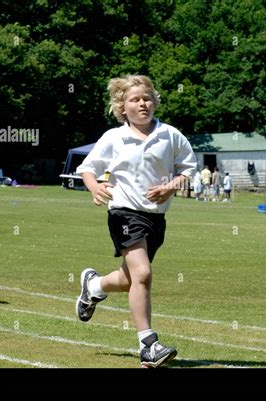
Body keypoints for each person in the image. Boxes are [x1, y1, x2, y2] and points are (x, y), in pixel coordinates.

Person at [75, 75, 196, 368]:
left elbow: (189, 171)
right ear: (122, 107)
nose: (143, 103)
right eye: (135, 99)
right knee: (142, 274)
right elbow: (88, 168)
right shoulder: (113, 138)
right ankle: (148, 345)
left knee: (130, 279)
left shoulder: (170, 135)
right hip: (124, 212)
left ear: (154, 101)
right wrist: (94, 187)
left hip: (156, 217)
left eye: (147, 98)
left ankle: (94, 287)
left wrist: (170, 186)